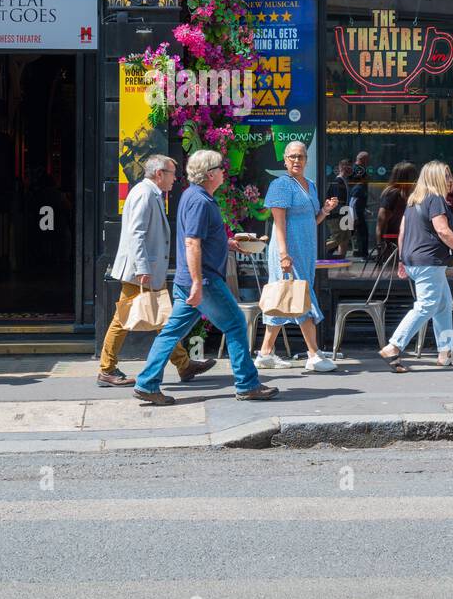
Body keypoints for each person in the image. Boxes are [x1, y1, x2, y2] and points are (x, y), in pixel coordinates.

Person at [133, 150, 279, 405]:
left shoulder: (194, 196)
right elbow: (192, 242)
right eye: (221, 168)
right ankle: (247, 384)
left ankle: (146, 383)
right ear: (211, 174)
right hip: (203, 281)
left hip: (188, 281)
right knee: (235, 324)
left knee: (170, 333)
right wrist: (199, 283)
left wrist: (228, 242)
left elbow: (199, 237)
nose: (225, 172)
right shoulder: (200, 201)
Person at [100, 154, 216, 388]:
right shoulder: (145, 194)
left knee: (164, 319)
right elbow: (137, 233)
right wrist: (143, 268)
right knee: (123, 320)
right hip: (141, 271)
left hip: (148, 269)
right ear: (159, 174)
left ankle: (184, 365)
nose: (176, 179)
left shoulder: (149, 193)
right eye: (173, 173)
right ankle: (106, 369)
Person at [379, 160, 453, 372]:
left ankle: (445, 353)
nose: (451, 180)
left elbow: (402, 232)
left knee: (443, 304)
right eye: (447, 176)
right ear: (436, 178)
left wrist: (403, 259)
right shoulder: (435, 198)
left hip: (416, 261)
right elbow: (443, 230)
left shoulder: (415, 200)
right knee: (427, 304)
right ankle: (394, 346)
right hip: (428, 261)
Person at [256, 140, 340, 373]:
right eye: (292, 156)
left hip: (305, 251)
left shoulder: (310, 185)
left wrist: (324, 211)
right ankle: (313, 354)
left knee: (285, 300)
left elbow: (311, 221)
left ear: (306, 160)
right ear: (284, 160)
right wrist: (284, 254)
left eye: (300, 157)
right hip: (288, 252)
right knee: (302, 298)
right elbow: (279, 223)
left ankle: (264, 354)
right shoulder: (280, 185)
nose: (296, 160)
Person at [376, 161, 417, 260]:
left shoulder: (409, 194)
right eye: (413, 175)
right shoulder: (393, 194)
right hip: (393, 244)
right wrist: (380, 246)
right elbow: (381, 222)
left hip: (407, 242)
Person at [350, 152, 370, 259]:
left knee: (352, 233)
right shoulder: (358, 170)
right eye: (367, 159)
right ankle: (363, 254)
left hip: (358, 208)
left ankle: (361, 253)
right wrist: (355, 216)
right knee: (361, 232)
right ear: (362, 159)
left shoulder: (358, 170)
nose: (368, 162)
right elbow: (354, 198)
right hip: (356, 210)